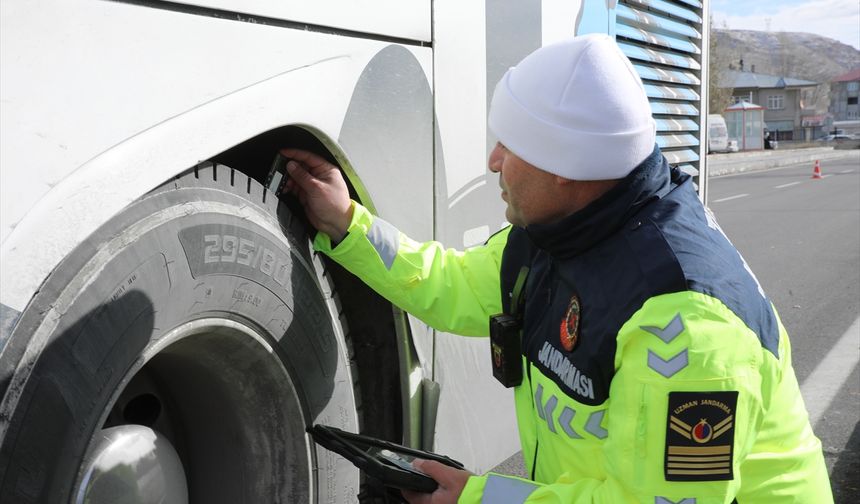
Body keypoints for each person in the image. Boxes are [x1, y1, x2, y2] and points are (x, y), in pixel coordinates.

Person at [282, 34, 832, 504]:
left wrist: (476, 496)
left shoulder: (687, 328)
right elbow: (446, 284)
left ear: (568, 167)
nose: (493, 160)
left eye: (511, 145)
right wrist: (346, 224)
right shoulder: (556, 237)